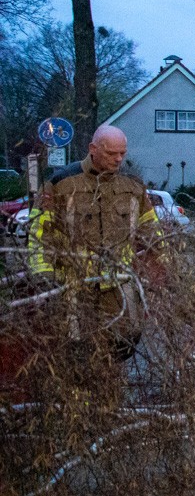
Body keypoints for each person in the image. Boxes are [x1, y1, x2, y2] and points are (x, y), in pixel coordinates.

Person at [26, 124, 159, 361]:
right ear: (93, 149)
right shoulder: (60, 184)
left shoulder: (133, 186)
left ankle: (110, 390)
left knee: (126, 341)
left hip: (119, 285)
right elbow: (39, 234)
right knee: (77, 350)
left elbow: (151, 232)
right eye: (111, 153)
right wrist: (44, 278)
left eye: (122, 153)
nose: (118, 159)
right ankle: (83, 395)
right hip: (74, 286)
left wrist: (162, 269)